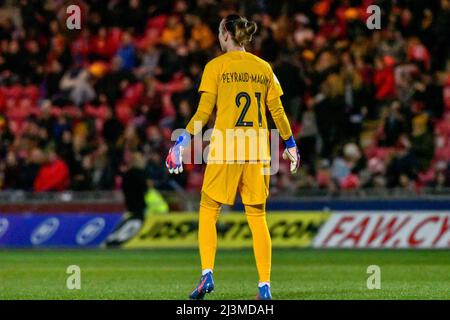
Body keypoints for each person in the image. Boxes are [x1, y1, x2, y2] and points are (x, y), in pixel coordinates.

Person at [165, 14, 300, 300]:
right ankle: (264, 286)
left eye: (218, 32)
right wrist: (290, 143)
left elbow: (203, 113)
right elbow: (278, 112)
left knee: (208, 210)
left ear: (226, 35)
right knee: (257, 216)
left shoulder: (215, 66)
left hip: (227, 144)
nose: (218, 36)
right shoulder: (263, 68)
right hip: (258, 147)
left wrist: (181, 140)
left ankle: (207, 274)